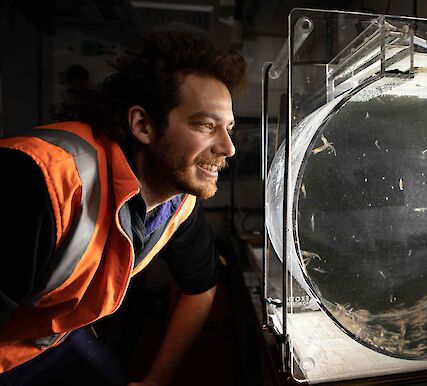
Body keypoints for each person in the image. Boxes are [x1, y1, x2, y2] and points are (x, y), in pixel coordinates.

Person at [0, 29, 246, 385]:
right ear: (143, 125)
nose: (228, 147)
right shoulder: (41, 183)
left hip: (53, 338)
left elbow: (201, 285)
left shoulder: (178, 202)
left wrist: (157, 379)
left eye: (229, 128)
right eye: (206, 125)